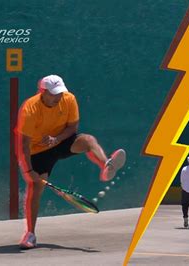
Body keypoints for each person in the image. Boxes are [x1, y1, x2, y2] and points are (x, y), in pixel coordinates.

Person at [15, 74, 126, 249]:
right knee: (35, 189)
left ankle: (107, 166)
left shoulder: (68, 99)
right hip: (38, 151)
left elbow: (72, 128)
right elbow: (24, 144)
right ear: (43, 91)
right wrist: (29, 170)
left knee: (88, 140)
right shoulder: (30, 108)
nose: (58, 97)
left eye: (60, 93)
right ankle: (30, 234)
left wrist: (57, 139)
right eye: (53, 94)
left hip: (61, 140)